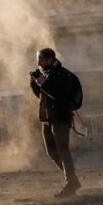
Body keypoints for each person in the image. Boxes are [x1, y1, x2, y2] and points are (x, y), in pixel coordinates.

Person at [30, 47, 83, 197]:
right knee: (52, 152)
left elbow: (59, 96)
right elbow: (40, 95)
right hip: (47, 118)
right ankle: (72, 180)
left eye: (41, 58)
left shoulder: (63, 75)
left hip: (60, 118)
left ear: (50, 59)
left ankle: (71, 183)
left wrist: (43, 84)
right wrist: (34, 82)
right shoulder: (45, 74)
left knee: (62, 150)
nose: (38, 61)